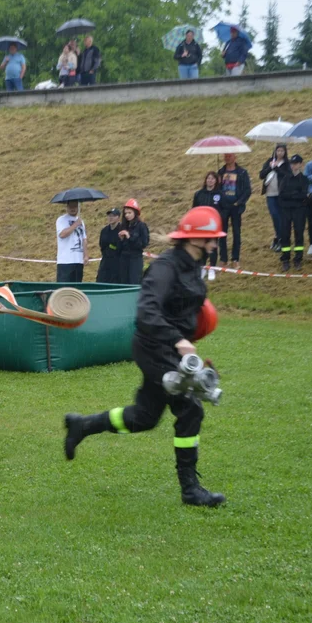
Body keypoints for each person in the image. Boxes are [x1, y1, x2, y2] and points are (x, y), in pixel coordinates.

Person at [63, 206, 227, 508]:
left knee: (144, 418)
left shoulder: (192, 265)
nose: (214, 245)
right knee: (190, 409)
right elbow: (146, 311)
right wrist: (178, 341)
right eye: (210, 239)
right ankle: (190, 489)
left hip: (171, 348)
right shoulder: (166, 267)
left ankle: (83, 425)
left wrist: (191, 334)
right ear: (193, 240)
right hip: (155, 348)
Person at [217, 153, 251, 270]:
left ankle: (235, 259)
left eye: (230, 156)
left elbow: (247, 190)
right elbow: (216, 189)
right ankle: (223, 259)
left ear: (235, 157)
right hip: (224, 208)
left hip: (236, 207)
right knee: (222, 234)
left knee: (236, 233)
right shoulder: (220, 172)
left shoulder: (242, 172)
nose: (227, 158)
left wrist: (239, 202)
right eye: (225, 156)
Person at [277, 155, 309, 272]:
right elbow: (282, 194)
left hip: (299, 210)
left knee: (299, 234)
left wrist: (292, 195)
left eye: (295, 163)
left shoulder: (304, 179)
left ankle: (298, 259)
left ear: (300, 164)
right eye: (292, 163)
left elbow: (304, 195)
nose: (293, 165)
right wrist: (296, 195)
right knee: (285, 234)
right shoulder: (286, 178)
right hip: (286, 210)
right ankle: (285, 259)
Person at [260, 144, 289, 253]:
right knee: (274, 215)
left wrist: (276, 168)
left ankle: (280, 239)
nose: (280, 153)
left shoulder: (286, 164)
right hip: (270, 194)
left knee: (280, 217)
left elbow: (287, 176)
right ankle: (278, 237)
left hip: (281, 194)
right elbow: (261, 175)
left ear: (285, 152)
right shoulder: (269, 161)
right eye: (278, 150)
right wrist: (270, 167)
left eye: (282, 151)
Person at [116, 199, 149, 285]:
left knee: (134, 281)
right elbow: (118, 247)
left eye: (129, 213)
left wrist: (130, 237)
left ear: (135, 212)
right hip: (124, 259)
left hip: (135, 259)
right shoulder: (123, 226)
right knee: (123, 282)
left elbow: (144, 243)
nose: (127, 215)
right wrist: (121, 239)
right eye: (126, 213)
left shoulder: (141, 226)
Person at [55, 200, 87, 282]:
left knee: (76, 289)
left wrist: (85, 255)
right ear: (67, 207)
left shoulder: (81, 221)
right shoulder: (61, 220)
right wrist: (75, 225)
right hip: (66, 262)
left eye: (75, 206)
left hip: (78, 261)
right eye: (71, 206)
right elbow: (62, 234)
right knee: (64, 289)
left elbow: (84, 238)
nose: (73, 209)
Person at [96, 207, 122, 283]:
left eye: (113, 216)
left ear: (118, 217)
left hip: (117, 261)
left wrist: (112, 247)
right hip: (106, 260)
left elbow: (120, 246)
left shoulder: (122, 229)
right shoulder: (104, 230)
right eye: (109, 215)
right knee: (101, 280)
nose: (111, 218)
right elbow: (102, 245)